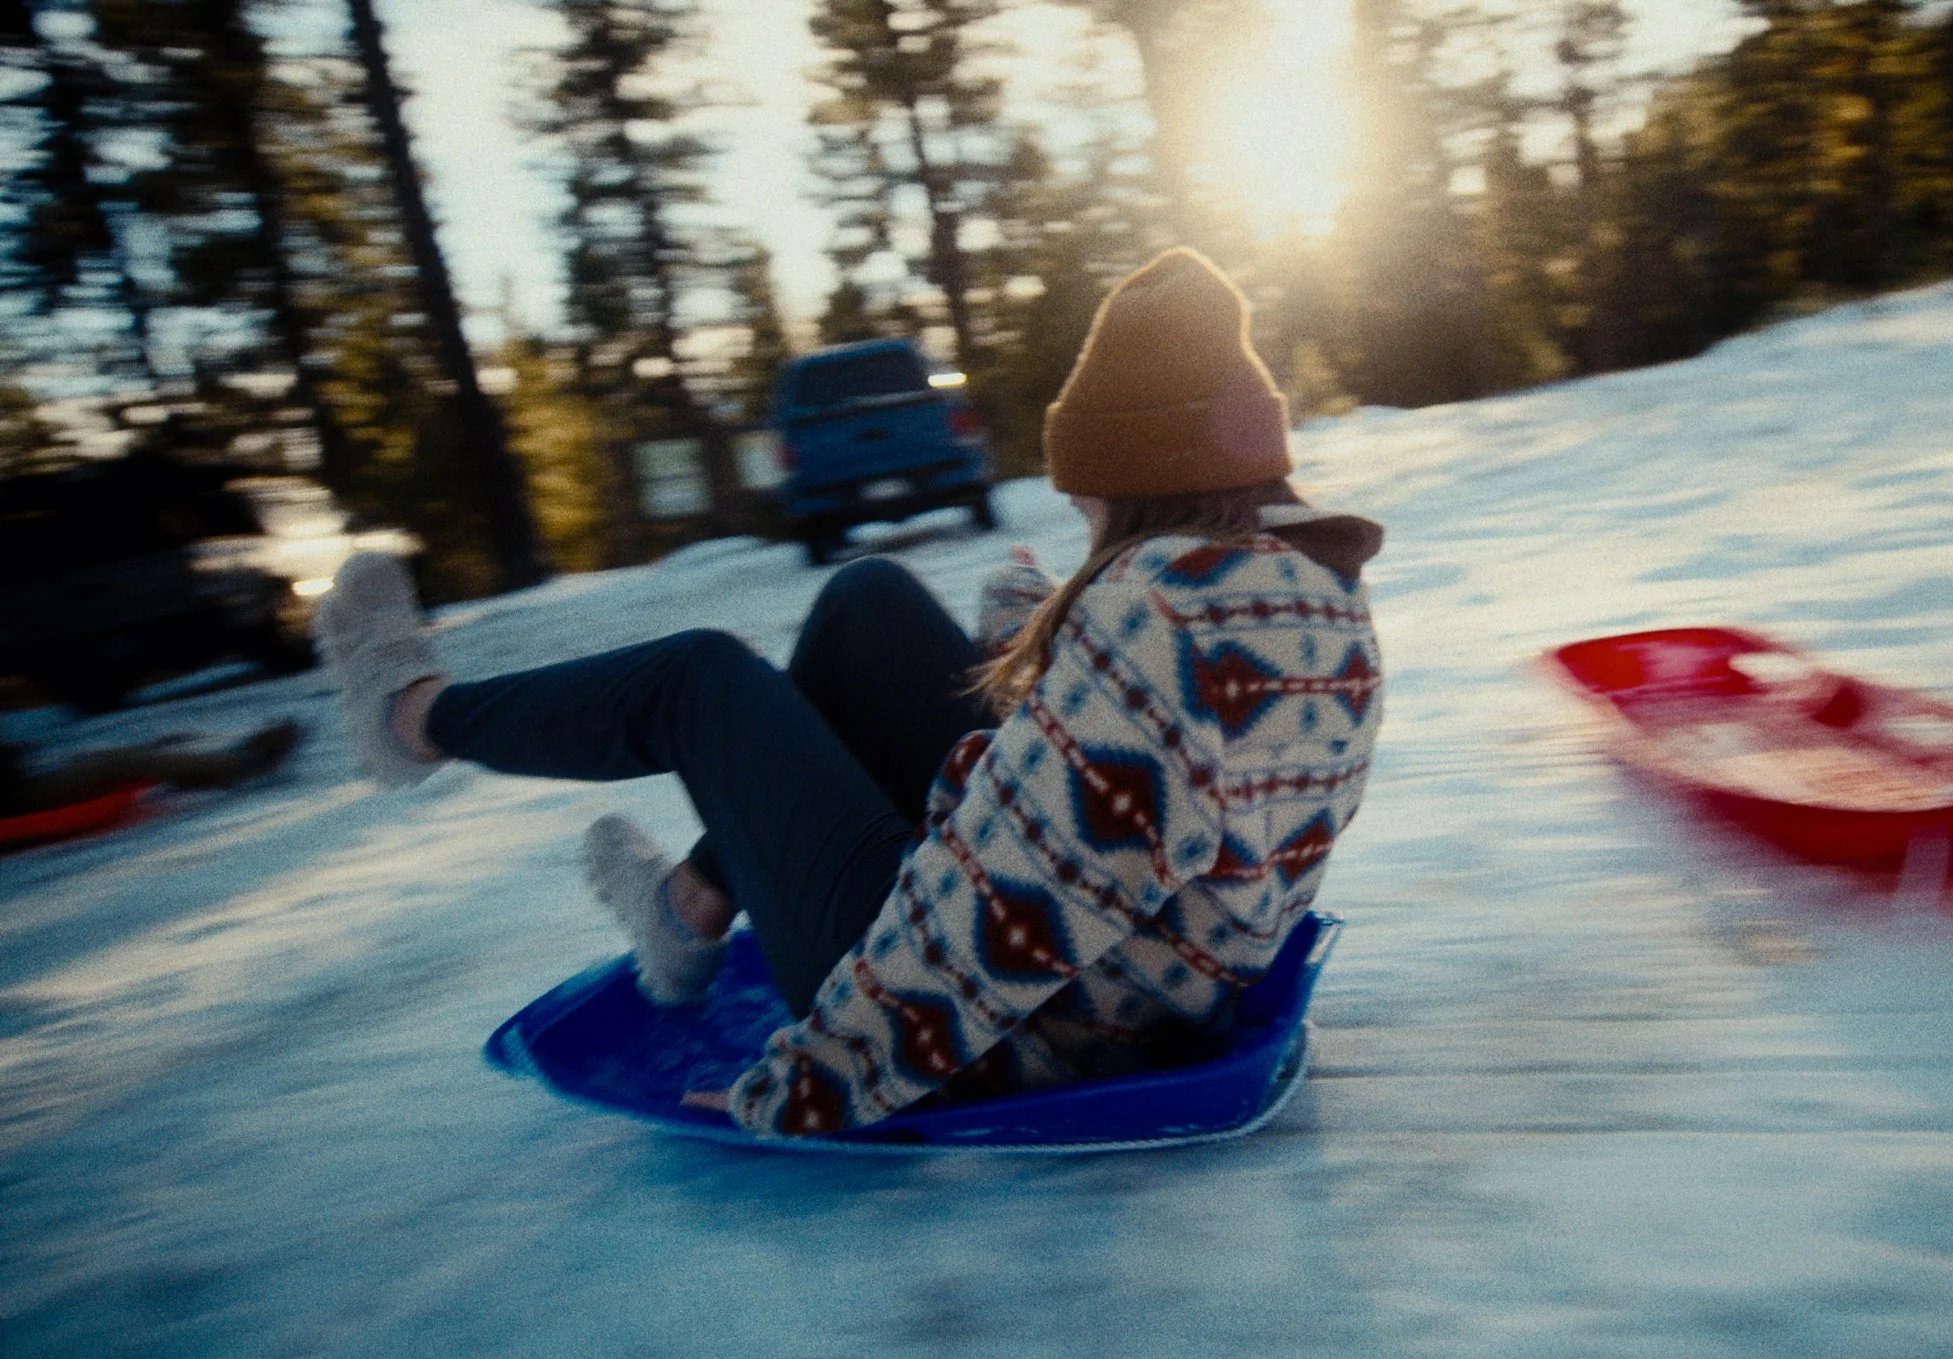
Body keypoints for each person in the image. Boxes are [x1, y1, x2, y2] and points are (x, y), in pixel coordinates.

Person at [316, 249, 1384, 1139]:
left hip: (1020, 1037)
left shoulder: (1158, 617)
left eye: (1090, 504)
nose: (1084, 527)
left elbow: (1005, 913)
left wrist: (811, 1081)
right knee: (867, 599)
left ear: (1147, 478)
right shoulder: (1311, 592)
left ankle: (409, 713)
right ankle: (689, 908)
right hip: (1145, 979)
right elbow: (1157, 793)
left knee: (702, 680)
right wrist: (1042, 644)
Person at [1, 719, 302, 821]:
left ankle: (213, 765)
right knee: (116, 763)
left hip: (19, 787)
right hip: (17, 799)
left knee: (123, 755)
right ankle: (242, 762)